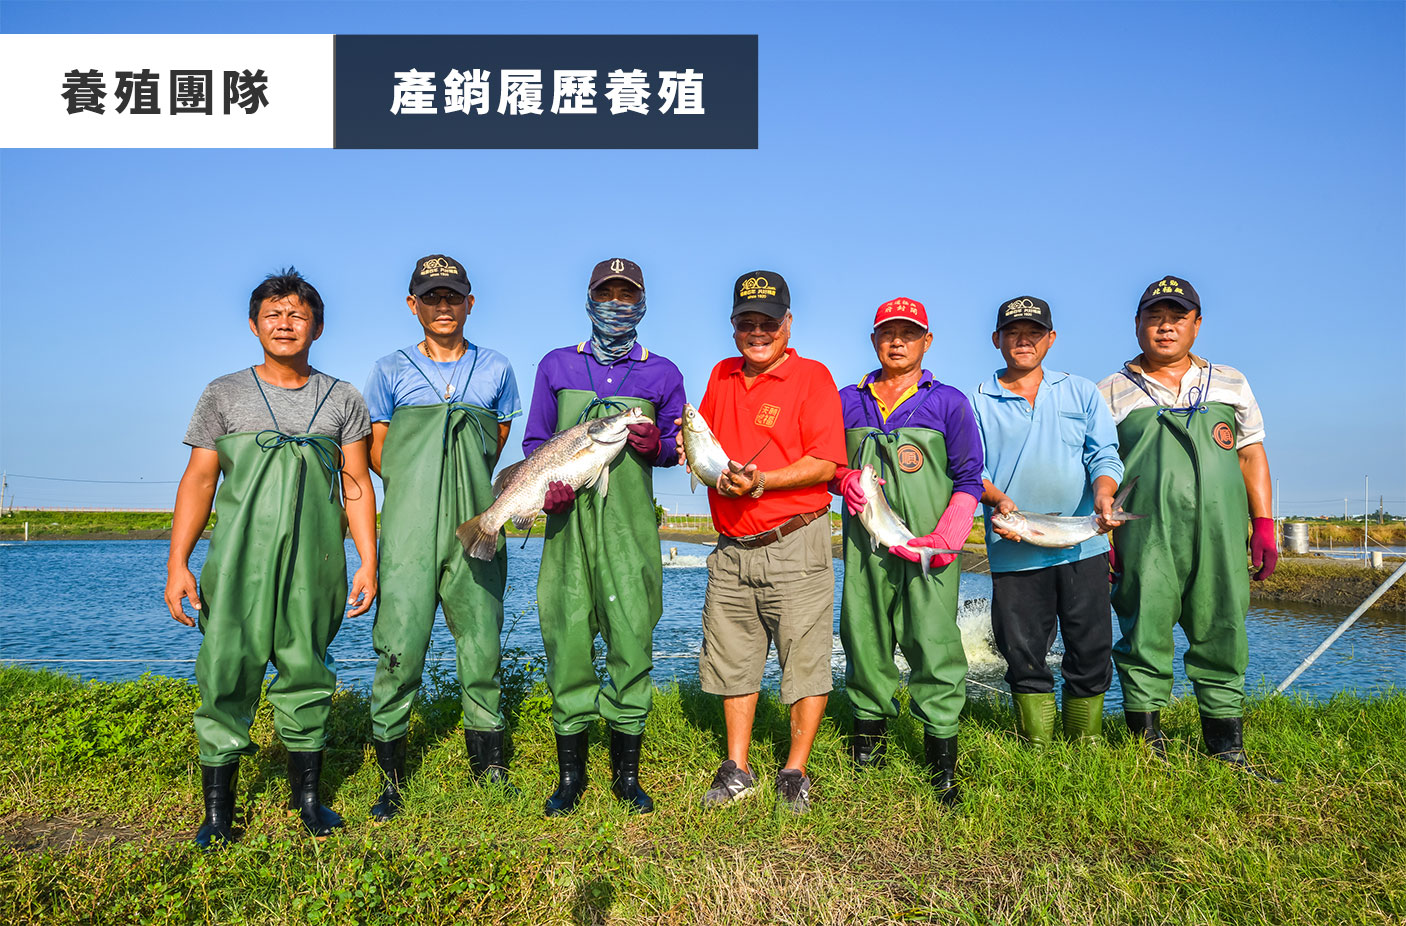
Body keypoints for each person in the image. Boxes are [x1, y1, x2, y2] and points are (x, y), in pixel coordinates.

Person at [165, 268, 378, 847]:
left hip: (317, 564)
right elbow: (199, 480)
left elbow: (357, 483)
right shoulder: (223, 393)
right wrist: (177, 563)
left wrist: (368, 560)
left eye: (298, 315)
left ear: (318, 326)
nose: (285, 324)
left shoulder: (343, 399)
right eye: (274, 315)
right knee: (227, 670)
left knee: (307, 669)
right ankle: (218, 813)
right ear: (255, 324)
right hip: (237, 562)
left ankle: (308, 801)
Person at [1096, 276, 1279, 777]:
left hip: (1220, 532)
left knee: (1223, 627)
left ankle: (1226, 750)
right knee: (1143, 632)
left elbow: (1251, 453)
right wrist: (1104, 532)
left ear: (1197, 324)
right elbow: (1095, 465)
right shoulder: (1107, 391)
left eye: (1177, 317)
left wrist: (1263, 522)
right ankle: (1145, 750)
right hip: (1144, 533)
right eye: (1154, 317)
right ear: (1137, 325)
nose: (1165, 327)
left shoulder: (1231, 381)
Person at [522, 257, 686, 816]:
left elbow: (674, 446)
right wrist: (548, 491)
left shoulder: (662, 373)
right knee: (566, 638)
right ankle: (570, 779)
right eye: (607, 293)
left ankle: (626, 777)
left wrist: (654, 449)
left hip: (630, 529)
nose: (617, 304)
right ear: (590, 298)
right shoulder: (556, 364)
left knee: (631, 639)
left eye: (627, 294)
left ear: (642, 302)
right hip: (567, 527)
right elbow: (535, 445)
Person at [362, 254, 521, 820]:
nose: (443, 306)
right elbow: (377, 450)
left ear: (470, 302)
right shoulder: (389, 370)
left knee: (482, 641)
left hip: (475, 522)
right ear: (414, 305)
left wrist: (459, 486)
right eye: (431, 297)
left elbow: (495, 443)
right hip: (407, 525)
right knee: (398, 644)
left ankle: (490, 769)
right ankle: (391, 779)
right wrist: (418, 485)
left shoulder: (497, 368)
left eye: (453, 296)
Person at [693, 270, 847, 816]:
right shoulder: (721, 375)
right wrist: (714, 475)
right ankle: (738, 768)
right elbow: (703, 445)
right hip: (732, 545)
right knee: (735, 656)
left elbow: (826, 461)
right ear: (734, 326)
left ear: (788, 323)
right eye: (746, 323)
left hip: (795, 541)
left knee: (804, 659)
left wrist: (762, 480)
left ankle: (794, 770)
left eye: (768, 322)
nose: (757, 332)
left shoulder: (813, 377)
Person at [830, 297, 983, 805]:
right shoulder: (846, 400)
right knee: (864, 640)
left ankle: (942, 770)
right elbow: (824, 464)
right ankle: (867, 757)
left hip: (932, 549)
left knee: (934, 646)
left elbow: (968, 478)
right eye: (888, 333)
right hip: (867, 546)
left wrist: (951, 534)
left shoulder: (949, 402)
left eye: (909, 333)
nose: (898, 341)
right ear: (874, 340)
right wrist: (844, 477)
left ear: (927, 340)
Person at [969, 296, 1124, 747]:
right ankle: (1036, 743)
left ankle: (1085, 741)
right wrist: (997, 500)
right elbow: (969, 468)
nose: (1023, 340)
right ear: (996, 340)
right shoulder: (977, 400)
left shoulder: (1080, 391)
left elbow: (1103, 454)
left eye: (1034, 333)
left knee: (1091, 644)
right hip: (1014, 545)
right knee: (1022, 650)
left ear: (1050, 339)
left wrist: (1104, 494)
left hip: (1084, 542)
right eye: (1013, 333)